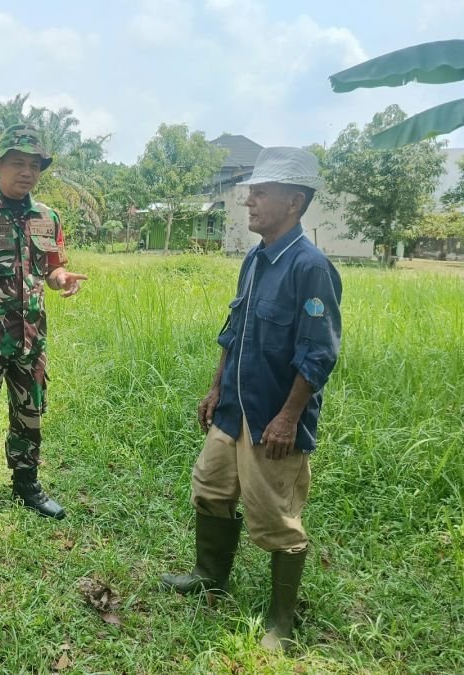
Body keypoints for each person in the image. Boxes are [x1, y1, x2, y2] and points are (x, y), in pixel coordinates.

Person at [160, 147, 343, 652]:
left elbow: (318, 352)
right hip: (234, 408)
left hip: (272, 420)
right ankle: (208, 576)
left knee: (276, 517)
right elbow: (235, 330)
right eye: (250, 192)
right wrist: (217, 387)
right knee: (211, 488)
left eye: (261, 193)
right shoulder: (255, 259)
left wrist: (288, 416)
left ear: (294, 201)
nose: (249, 201)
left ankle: (281, 621)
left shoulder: (311, 268)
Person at [0, 124, 88, 527]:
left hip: (30, 341)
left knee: (30, 415)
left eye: (34, 165)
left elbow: (52, 269)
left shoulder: (47, 217)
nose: (27, 172)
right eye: (18, 163)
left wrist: (62, 280)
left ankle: (27, 485)